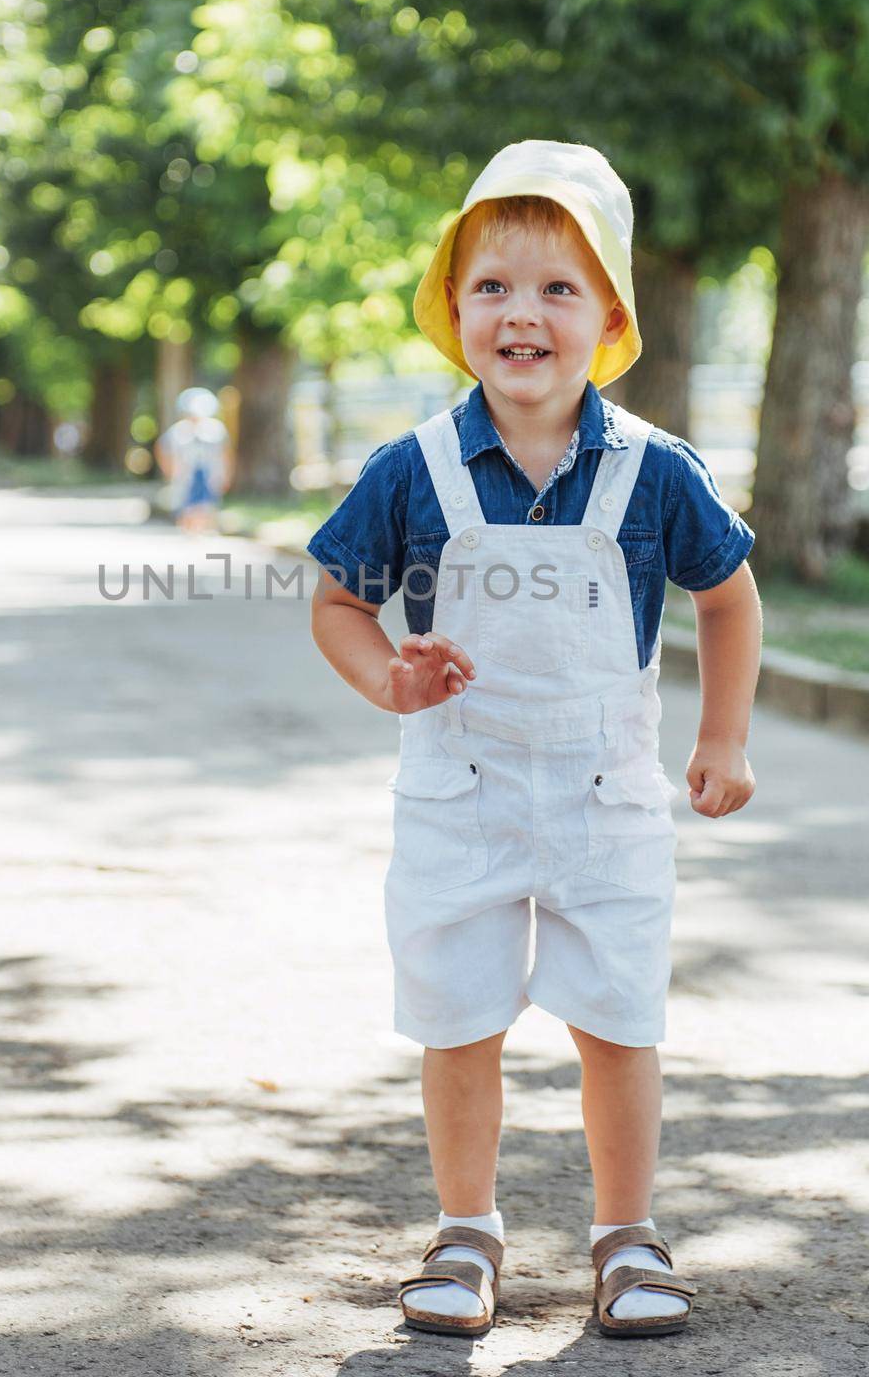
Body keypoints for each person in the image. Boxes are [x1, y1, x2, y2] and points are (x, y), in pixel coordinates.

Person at [306, 140, 762, 1340]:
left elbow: (730, 595)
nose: (523, 314)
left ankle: (625, 1232)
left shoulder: (657, 474)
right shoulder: (409, 472)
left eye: (558, 289)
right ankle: (466, 1228)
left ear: (608, 315)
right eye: (493, 286)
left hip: (607, 797)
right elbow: (336, 600)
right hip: (457, 789)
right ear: (452, 308)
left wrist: (723, 736)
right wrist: (385, 679)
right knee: (458, 1016)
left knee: (618, 1015)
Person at [154, 386, 232, 534]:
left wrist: (226, 473)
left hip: (209, 473)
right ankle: (189, 531)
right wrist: (169, 470)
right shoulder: (178, 431)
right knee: (186, 502)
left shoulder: (215, 430)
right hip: (185, 474)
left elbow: (225, 453)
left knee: (208, 503)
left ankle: (205, 531)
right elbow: (163, 450)